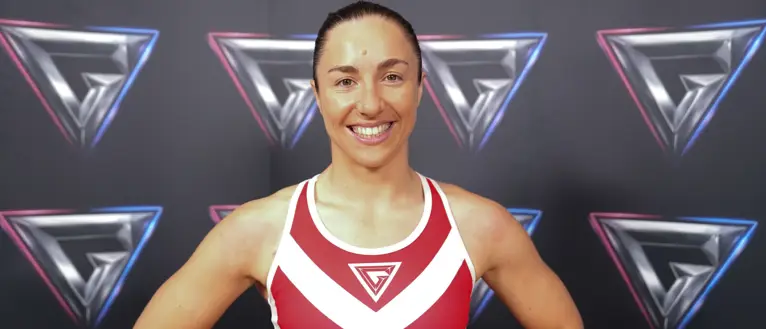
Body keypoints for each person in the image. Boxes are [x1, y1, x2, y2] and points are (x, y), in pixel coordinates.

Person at [133, 1, 583, 328]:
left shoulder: (479, 225)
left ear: (420, 87)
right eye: (345, 81)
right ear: (317, 94)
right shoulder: (263, 229)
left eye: (392, 76)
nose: (370, 103)